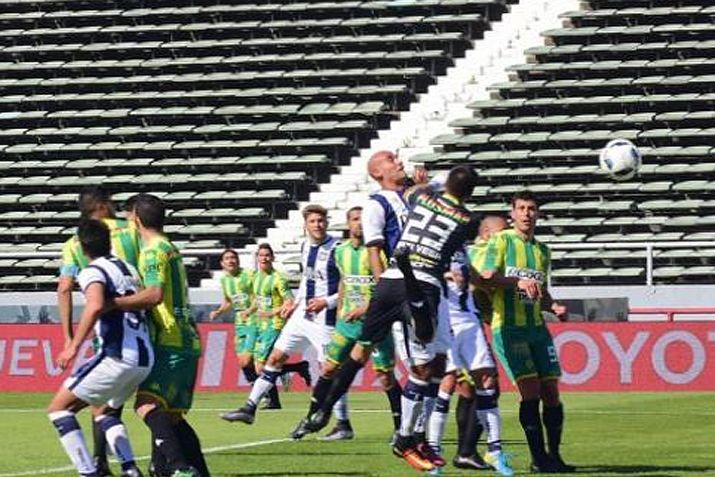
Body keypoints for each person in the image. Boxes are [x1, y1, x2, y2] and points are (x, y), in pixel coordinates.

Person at [303, 166, 481, 473]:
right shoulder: (469, 220)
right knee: (423, 367)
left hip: (387, 282)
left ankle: (324, 410)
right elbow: (453, 248)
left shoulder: (420, 197)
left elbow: (413, 192)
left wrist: (423, 184)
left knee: (370, 351)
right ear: (471, 193)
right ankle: (406, 438)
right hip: (423, 287)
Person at [221, 205, 344, 428]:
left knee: (329, 370)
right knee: (275, 358)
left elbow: (347, 284)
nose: (318, 225)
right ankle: (249, 407)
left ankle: (343, 424)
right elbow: (308, 281)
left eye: (321, 220)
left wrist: (327, 301)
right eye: (313, 221)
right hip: (302, 316)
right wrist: (294, 303)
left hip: (325, 319)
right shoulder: (306, 246)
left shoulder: (337, 248)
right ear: (305, 225)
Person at [478, 191, 574, 474]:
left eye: (531, 208)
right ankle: (538, 458)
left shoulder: (543, 251)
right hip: (509, 328)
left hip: (537, 328)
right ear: (513, 213)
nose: (526, 213)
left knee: (552, 392)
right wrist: (516, 281)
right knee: (530, 391)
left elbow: (539, 290)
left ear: (538, 214)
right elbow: (486, 278)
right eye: (521, 208)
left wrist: (552, 305)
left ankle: (554, 456)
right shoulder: (502, 240)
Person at [112, 194, 208, 477]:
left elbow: (154, 294)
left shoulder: (153, 251)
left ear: (137, 219)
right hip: (187, 338)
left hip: (171, 340)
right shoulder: (170, 247)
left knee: (146, 405)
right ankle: (192, 471)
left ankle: (180, 468)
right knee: (172, 419)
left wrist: (111, 303)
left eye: (129, 217)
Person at [49, 219, 151, 477]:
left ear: (82, 248)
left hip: (117, 355)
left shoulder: (92, 271)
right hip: (143, 357)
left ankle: (88, 472)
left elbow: (94, 305)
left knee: (59, 409)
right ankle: (129, 469)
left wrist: (72, 346)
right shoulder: (127, 268)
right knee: (103, 411)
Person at [291, 206, 396, 441]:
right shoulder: (341, 252)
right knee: (327, 369)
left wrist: (365, 308)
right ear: (348, 224)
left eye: (363, 219)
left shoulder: (378, 252)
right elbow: (343, 284)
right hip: (346, 324)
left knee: (385, 377)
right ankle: (311, 419)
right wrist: (339, 312)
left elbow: (386, 289)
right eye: (355, 220)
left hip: (376, 323)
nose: (359, 224)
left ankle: (401, 428)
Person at [426, 245, 513, 476]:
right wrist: (445, 275)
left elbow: (471, 278)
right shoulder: (434, 246)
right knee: (447, 380)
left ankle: (494, 450)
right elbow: (422, 274)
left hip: (470, 320)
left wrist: (484, 282)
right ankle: (433, 453)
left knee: (487, 382)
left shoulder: (463, 249)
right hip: (446, 319)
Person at [209, 249, 260, 394]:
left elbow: (260, 295)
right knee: (243, 361)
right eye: (227, 258)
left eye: (233, 258)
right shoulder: (225, 280)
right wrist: (218, 311)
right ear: (222, 263)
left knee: (248, 360)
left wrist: (250, 310)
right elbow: (228, 301)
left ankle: (259, 392)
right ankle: (265, 394)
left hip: (254, 320)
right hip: (239, 323)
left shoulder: (249, 275)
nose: (231, 261)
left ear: (238, 260)